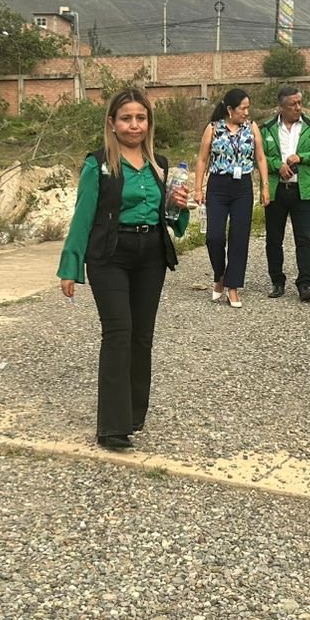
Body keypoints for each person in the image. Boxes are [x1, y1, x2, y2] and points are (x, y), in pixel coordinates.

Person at [58, 87, 191, 451]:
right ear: (112, 124)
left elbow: (173, 222)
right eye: (127, 118)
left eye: (141, 118)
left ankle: (133, 414)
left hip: (151, 255)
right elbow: (83, 217)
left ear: (149, 123)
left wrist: (180, 205)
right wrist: (70, 266)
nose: (135, 125)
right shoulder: (98, 164)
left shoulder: (160, 164)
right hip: (110, 255)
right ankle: (111, 427)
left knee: (141, 335)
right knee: (118, 332)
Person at [194, 87, 269, 308]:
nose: (246, 112)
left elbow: (261, 158)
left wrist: (265, 186)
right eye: (242, 108)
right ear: (229, 109)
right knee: (214, 236)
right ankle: (219, 275)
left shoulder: (252, 128)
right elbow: (201, 160)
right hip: (218, 185)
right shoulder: (213, 128)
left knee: (239, 237)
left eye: (248, 108)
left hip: (242, 187)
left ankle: (233, 287)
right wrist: (198, 188)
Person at [261, 86, 310, 302]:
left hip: (303, 191)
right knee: (274, 238)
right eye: (293, 104)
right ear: (281, 107)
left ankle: (305, 284)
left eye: (300, 103)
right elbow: (260, 155)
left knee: (304, 238)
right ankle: (277, 281)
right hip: (277, 190)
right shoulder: (268, 128)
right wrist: (277, 165)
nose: (298, 107)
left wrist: (302, 156)